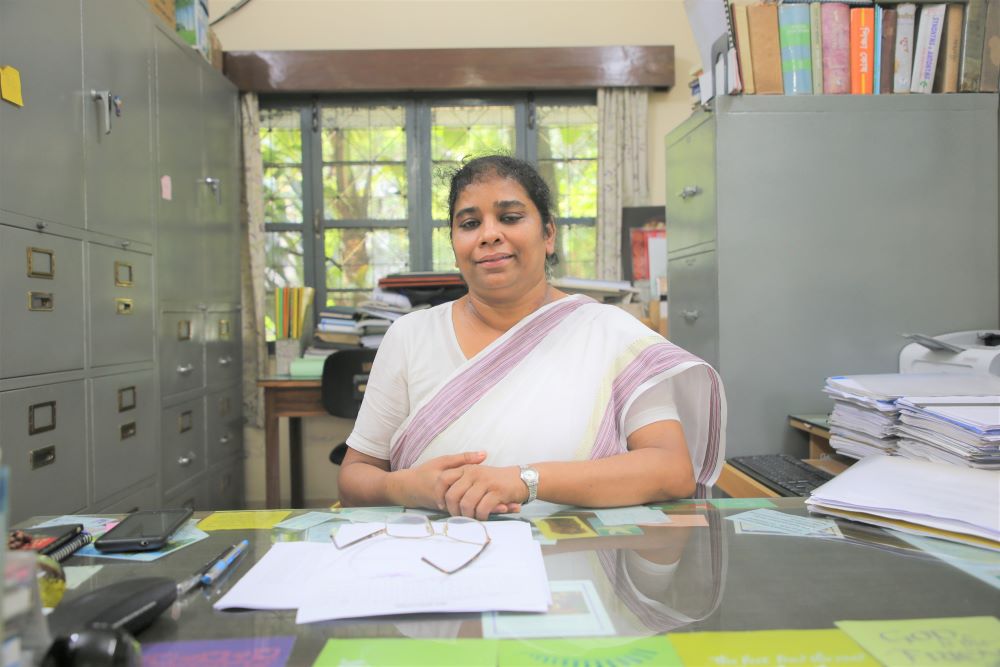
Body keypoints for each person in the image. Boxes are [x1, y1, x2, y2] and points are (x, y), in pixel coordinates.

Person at [338, 155, 725, 519]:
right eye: (470, 224)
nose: (489, 234)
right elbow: (355, 479)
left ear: (549, 234)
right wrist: (405, 487)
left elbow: (671, 469)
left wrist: (525, 481)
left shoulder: (611, 334)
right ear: (455, 246)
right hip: (438, 563)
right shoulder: (410, 336)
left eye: (509, 217)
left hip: (579, 567)